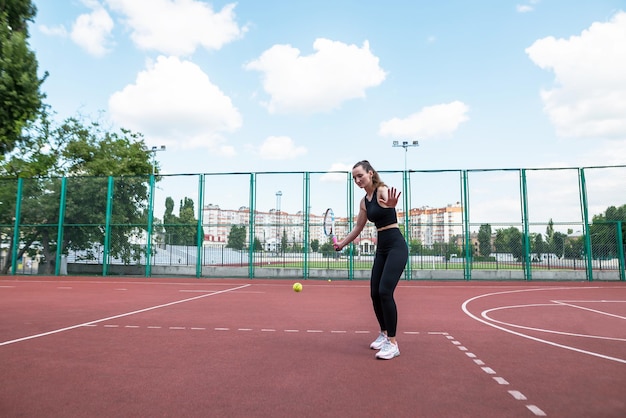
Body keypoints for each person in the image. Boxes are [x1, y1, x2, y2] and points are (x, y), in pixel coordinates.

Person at [334, 160, 408, 360]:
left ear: (370, 173)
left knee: (385, 291)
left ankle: (393, 343)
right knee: (375, 293)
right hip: (382, 248)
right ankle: (384, 334)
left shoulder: (382, 190)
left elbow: (391, 206)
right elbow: (358, 228)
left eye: (360, 175)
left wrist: (391, 207)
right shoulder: (364, 201)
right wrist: (342, 244)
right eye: (354, 178)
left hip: (396, 246)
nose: (357, 180)